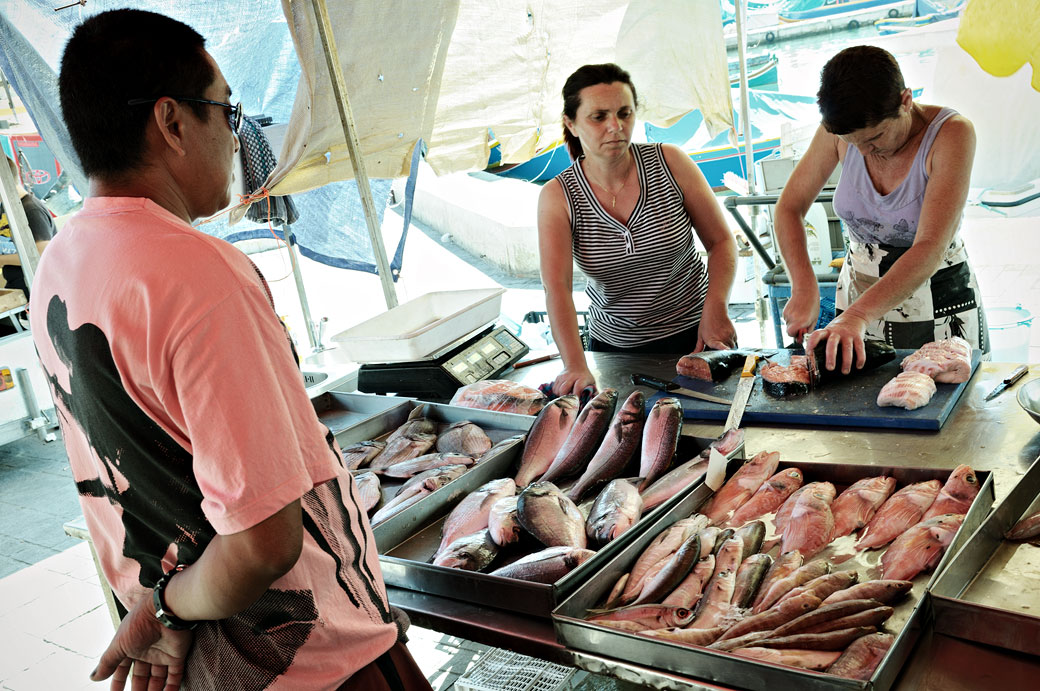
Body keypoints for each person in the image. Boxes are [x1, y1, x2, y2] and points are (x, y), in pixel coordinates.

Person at [32, 10, 430, 690]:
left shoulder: (61, 264)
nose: (236, 133)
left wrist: (157, 609)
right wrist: (164, 608)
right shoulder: (197, 273)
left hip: (205, 667)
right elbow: (262, 541)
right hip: (312, 659)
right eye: (226, 108)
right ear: (172, 121)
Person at [775, 45, 986, 374]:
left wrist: (857, 316)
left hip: (936, 295)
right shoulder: (842, 132)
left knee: (941, 401)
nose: (862, 150)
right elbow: (789, 208)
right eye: (852, 141)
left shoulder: (952, 133)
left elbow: (930, 246)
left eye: (874, 138)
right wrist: (803, 286)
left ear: (906, 101)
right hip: (856, 297)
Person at [538, 63, 738, 395]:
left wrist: (716, 310)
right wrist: (575, 364)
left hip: (698, 336)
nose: (615, 126)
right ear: (571, 124)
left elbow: (720, 242)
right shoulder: (558, 196)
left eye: (624, 113)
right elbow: (556, 288)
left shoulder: (671, 162)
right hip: (613, 349)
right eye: (599, 117)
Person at [0, 155, 56, 300]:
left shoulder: (31, 210)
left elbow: (41, 253)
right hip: (18, 292)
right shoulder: (7, 210)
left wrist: (1, 260)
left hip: (39, 294)